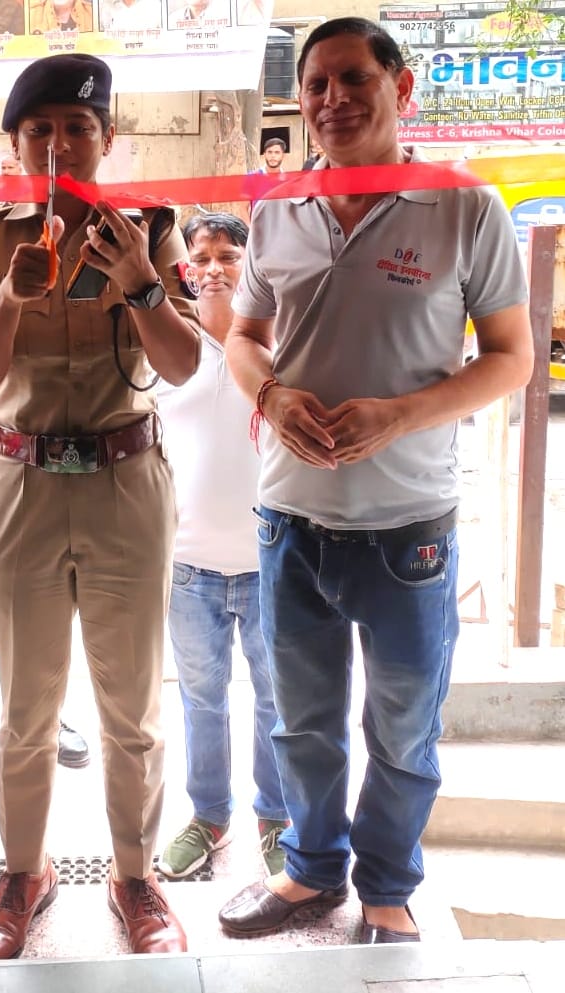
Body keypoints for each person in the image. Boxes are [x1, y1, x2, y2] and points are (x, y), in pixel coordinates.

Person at [218, 17, 533, 945]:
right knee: (301, 725)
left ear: (402, 88)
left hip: (408, 526)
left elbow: (511, 358)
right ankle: (311, 873)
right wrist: (269, 396)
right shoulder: (276, 207)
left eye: (352, 78)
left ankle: (388, 885)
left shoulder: (465, 207)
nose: (330, 100)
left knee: (402, 726)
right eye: (314, 84)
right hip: (290, 518)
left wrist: (395, 415)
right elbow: (241, 336)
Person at [0, 53, 201, 959]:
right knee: (24, 703)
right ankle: (24, 871)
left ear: (106, 140)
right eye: (41, 130)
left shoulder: (153, 232)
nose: (59, 144)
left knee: (130, 707)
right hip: (15, 484)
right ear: (15, 144)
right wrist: (12, 298)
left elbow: (179, 365)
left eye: (78, 128)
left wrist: (138, 279)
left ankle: (136, 879)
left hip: (126, 485)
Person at [156, 213, 287, 881]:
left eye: (228, 256)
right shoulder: (165, 351)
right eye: (199, 256)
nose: (211, 267)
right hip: (187, 568)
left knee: (274, 697)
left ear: (250, 264)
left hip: (269, 561)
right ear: (182, 268)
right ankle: (209, 815)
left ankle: (275, 816)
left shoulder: (273, 343)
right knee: (201, 699)